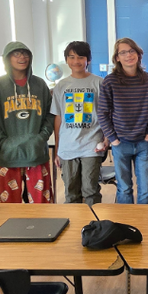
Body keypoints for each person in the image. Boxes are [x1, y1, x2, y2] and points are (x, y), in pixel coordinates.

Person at [0, 40, 55, 205]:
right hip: (8, 156)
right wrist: (3, 143)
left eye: (25, 54)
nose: (22, 57)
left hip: (36, 154)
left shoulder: (39, 84)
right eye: (16, 54)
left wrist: (40, 138)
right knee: (9, 207)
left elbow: (51, 115)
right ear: (7, 58)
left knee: (42, 205)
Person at [97, 37, 148, 204]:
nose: (128, 55)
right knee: (124, 188)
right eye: (123, 52)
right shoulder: (110, 81)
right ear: (117, 58)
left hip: (142, 142)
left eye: (131, 51)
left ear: (138, 54)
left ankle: (144, 219)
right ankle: (125, 219)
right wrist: (113, 139)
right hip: (120, 142)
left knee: (146, 188)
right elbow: (102, 112)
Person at [49, 40, 106, 206]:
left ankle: (93, 222)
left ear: (88, 59)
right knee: (71, 192)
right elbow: (58, 117)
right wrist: (58, 149)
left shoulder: (99, 83)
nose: (76, 61)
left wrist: (106, 139)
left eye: (81, 57)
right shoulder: (61, 86)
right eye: (72, 57)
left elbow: (106, 113)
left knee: (90, 190)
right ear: (66, 60)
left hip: (92, 144)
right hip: (68, 146)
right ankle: (74, 222)